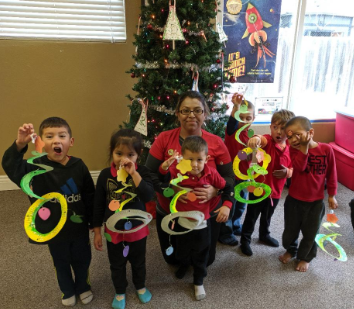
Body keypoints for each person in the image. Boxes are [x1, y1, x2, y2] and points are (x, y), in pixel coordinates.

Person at [2, 117, 94, 306]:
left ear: (71, 142)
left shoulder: (79, 165)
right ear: (42, 142)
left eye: (62, 135)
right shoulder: (34, 168)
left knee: (82, 260)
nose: (56, 140)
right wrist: (20, 144)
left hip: (78, 229)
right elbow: (11, 166)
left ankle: (83, 287)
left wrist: (95, 223)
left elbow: (90, 196)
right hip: (53, 230)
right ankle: (67, 290)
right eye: (50, 136)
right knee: (61, 263)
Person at [145, 90, 234, 266]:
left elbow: (229, 177)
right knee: (174, 260)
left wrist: (215, 190)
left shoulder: (216, 142)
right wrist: (170, 192)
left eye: (197, 110)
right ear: (177, 114)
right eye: (185, 110)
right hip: (171, 210)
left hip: (206, 212)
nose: (191, 115)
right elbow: (148, 175)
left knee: (206, 260)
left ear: (205, 114)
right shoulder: (164, 139)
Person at [158, 136, 234, 300]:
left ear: (206, 158)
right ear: (182, 159)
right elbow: (162, 181)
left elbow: (228, 188)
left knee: (201, 254)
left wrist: (227, 205)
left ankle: (198, 281)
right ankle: (184, 264)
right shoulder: (178, 171)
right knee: (181, 249)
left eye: (199, 159)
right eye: (189, 159)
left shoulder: (211, 173)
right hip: (181, 221)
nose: (194, 164)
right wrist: (164, 168)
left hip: (201, 225)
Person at [93, 129, 154, 309]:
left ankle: (140, 286)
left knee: (139, 262)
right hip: (114, 231)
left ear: (138, 155)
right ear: (112, 152)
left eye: (130, 154)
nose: (123, 159)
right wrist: (97, 230)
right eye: (119, 153)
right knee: (117, 264)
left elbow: (148, 195)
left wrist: (134, 174)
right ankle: (120, 291)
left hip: (138, 230)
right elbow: (98, 204)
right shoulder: (105, 175)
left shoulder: (142, 172)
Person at [279, 116, 338, 272]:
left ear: (310, 132)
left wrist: (332, 195)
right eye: (289, 136)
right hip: (294, 201)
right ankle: (291, 249)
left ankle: (306, 257)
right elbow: (299, 166)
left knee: (311, 233)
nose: (292, 139)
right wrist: (303, 147)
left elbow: (332, 174)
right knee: (290, 231)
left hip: (315, 203)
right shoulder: (293, 150)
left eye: (297, 134)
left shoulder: (326, 150)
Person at [240, 110, 295, 256]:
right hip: (257, 188)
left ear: (290, 131)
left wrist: (288, 173)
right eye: (275, 127)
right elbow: (260, 139)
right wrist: (255, 140)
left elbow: (294, 167)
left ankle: (264, 235)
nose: (278, 132)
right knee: (251, 216)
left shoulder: (291, 147)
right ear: (270, 127)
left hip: (275, 192)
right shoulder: (267, 141)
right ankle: (245, 239)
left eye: (283, 128)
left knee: (267, 215)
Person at [219, 93, 255, 246]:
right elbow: (233, 122)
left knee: (241, 204)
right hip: (231, 176)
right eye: (241, 117)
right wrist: (236, 107)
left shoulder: (250, 135)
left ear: (253, 119)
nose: (244, 121)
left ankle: (235, 224)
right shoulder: (232, 131)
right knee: (230, 203)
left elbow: (249, 157)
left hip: (244, 176)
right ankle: (225, 232)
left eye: (248, 118)